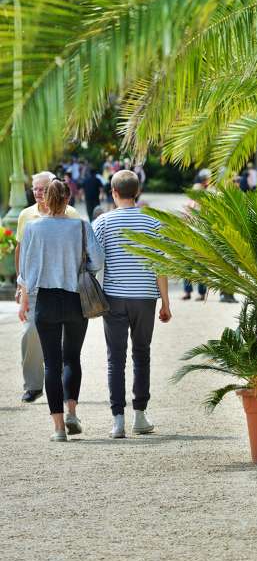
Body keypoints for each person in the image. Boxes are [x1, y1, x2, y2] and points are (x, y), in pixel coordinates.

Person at [18, 179, 104, 441]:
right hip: (76, 298)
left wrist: (24, 296)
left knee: (51, 364)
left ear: (45, 199)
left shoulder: (33, 228)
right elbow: (97, 260)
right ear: (68, 199)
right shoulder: (81, 226)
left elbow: (26, 270)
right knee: (72, 358)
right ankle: (72, 412)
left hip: (45, 298)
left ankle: (58, 428)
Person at [93, 169, 172, 438]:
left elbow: (94, 260)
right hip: (144, 298)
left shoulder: (103, 222)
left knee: (115, 359)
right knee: (142, 354)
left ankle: (118, 420)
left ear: (113, 193)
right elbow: (160, 265)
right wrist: (166, 302)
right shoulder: (152, 222)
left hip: (114, 297)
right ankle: (140, 414)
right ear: (137, 192)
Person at [15, 171, 82, 403]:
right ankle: (33, 385)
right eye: (35, 189)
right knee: (29, 333)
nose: (38, 193)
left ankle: (63, 389)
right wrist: (20, 286)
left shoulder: (72, 214)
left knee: (63, 345)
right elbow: (21, 253)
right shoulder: (26, 216)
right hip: (33, 288)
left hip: (65, 287)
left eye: (42, 188)